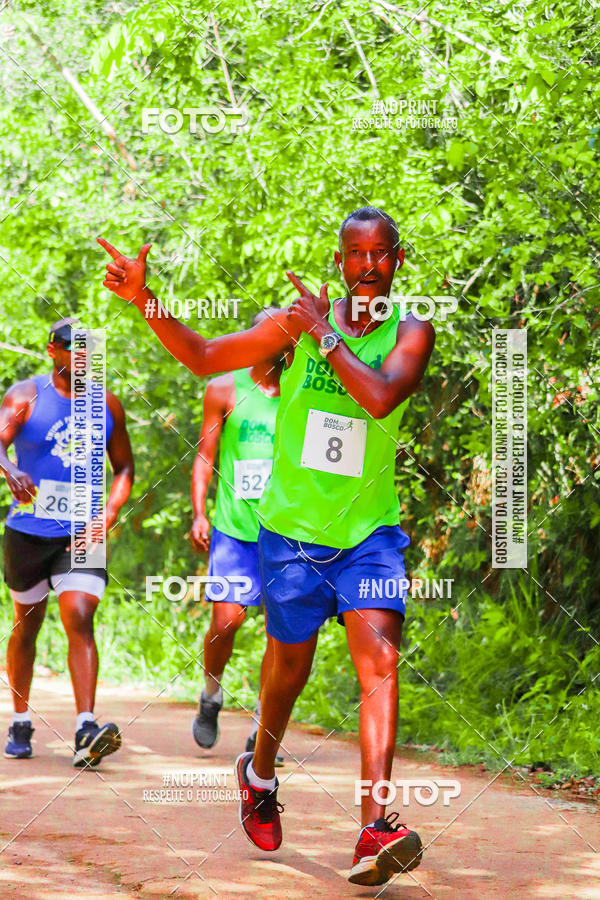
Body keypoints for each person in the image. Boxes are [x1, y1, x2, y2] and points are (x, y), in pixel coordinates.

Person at [98, 205, 435, 885]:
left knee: (380, 659)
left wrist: (326, 338)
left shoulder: (411, 333)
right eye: (355, 254)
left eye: (381, 254)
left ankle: (375, 827)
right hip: (289, 535)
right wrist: (145, 300)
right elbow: (203, 356)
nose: (368, 266)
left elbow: (379, 399)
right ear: (338, 261)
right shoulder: (295, 322)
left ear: (398, 261)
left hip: (369, 534)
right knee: (289, 670)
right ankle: (259, 770)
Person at [0, 318, 134, 767]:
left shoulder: (107, 405)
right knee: (28, 626)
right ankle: (20, 718)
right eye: (72, 348)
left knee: (79, 615)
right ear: (52, 350)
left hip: (82, 532)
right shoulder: (25, 395)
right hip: (27, 532)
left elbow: (125, 469)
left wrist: (109, 514)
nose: (81, 358)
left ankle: (85, 727)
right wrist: (11, 471)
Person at [190, 313, 284, 766]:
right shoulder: (224, 389)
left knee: (281, 634)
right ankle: (211, 694)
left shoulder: (303, 392)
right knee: (227, 621)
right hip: (234, 529)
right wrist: (198, 511)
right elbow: (206, 455)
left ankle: (265, 726)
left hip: (289, 531)